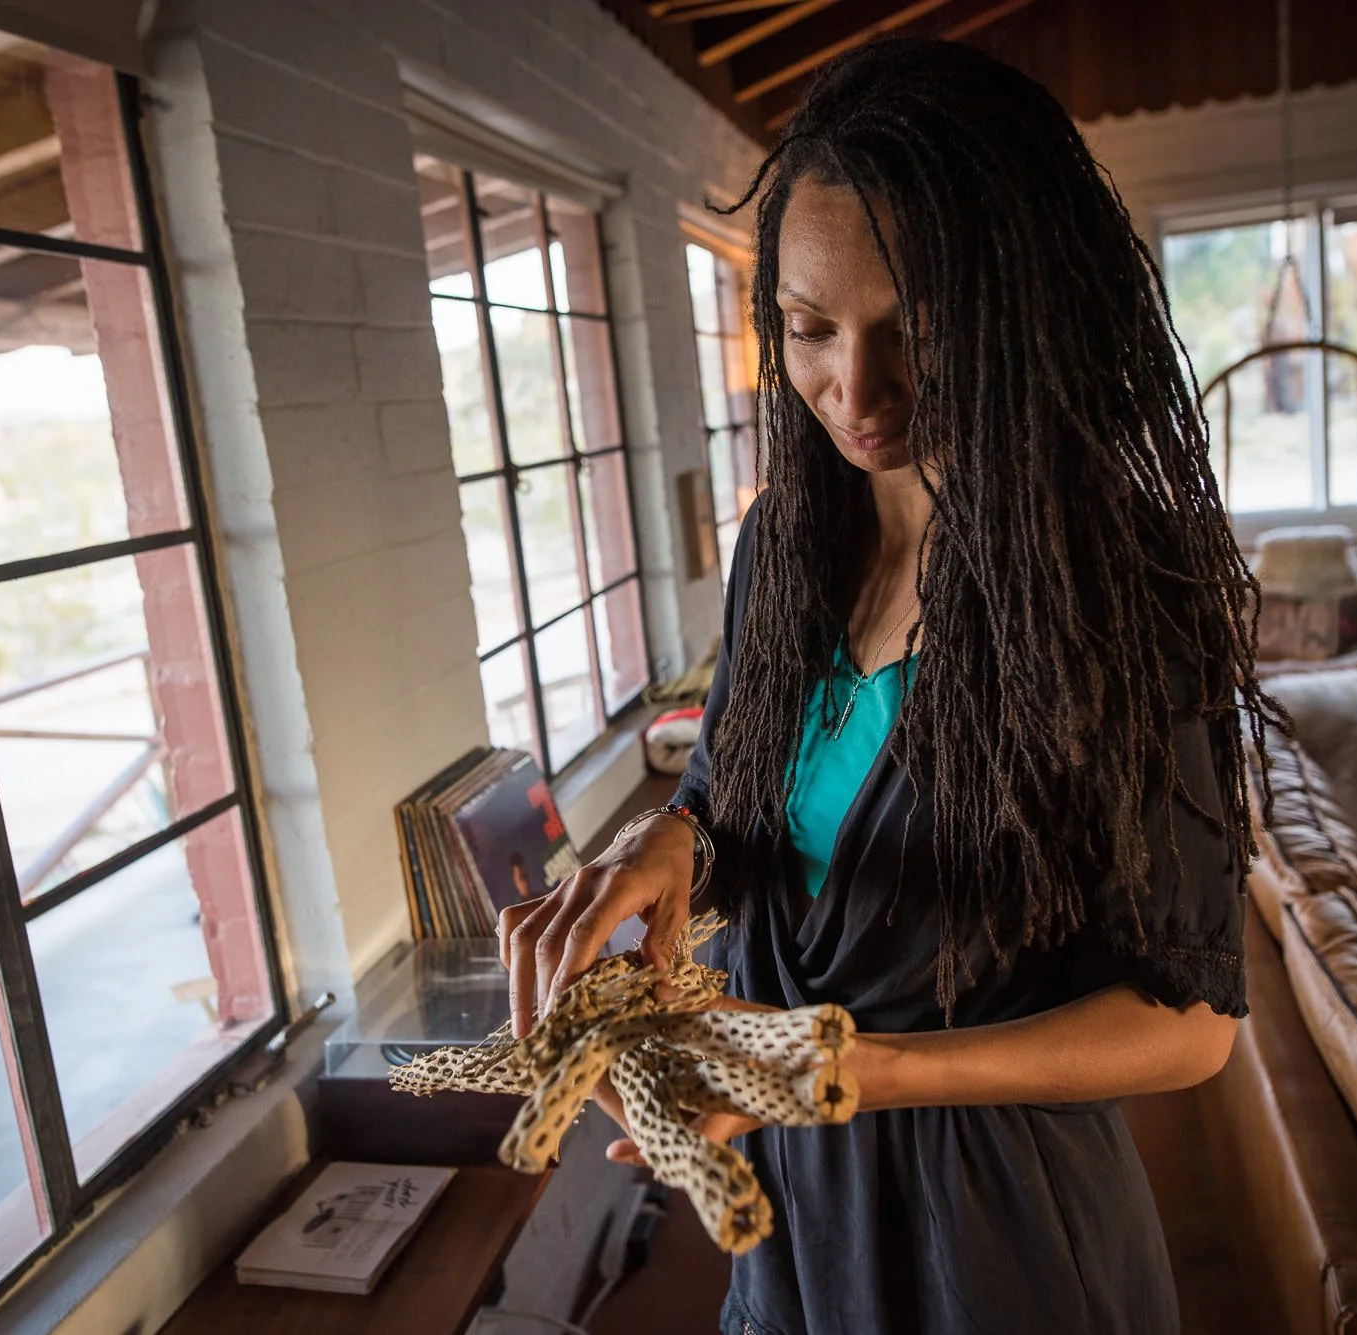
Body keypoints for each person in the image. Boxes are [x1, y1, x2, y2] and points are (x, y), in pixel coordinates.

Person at [497, 38, 1281, 1335]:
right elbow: (738, 793)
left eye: (913, 330)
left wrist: (858, 1067)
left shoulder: (1125, 586)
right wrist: (666, 840)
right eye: (809, 331)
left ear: (1018, 309)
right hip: (794, 1216)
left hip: (1006, 1239)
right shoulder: (786, 548)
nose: (855, 392)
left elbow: (1191, 1023)